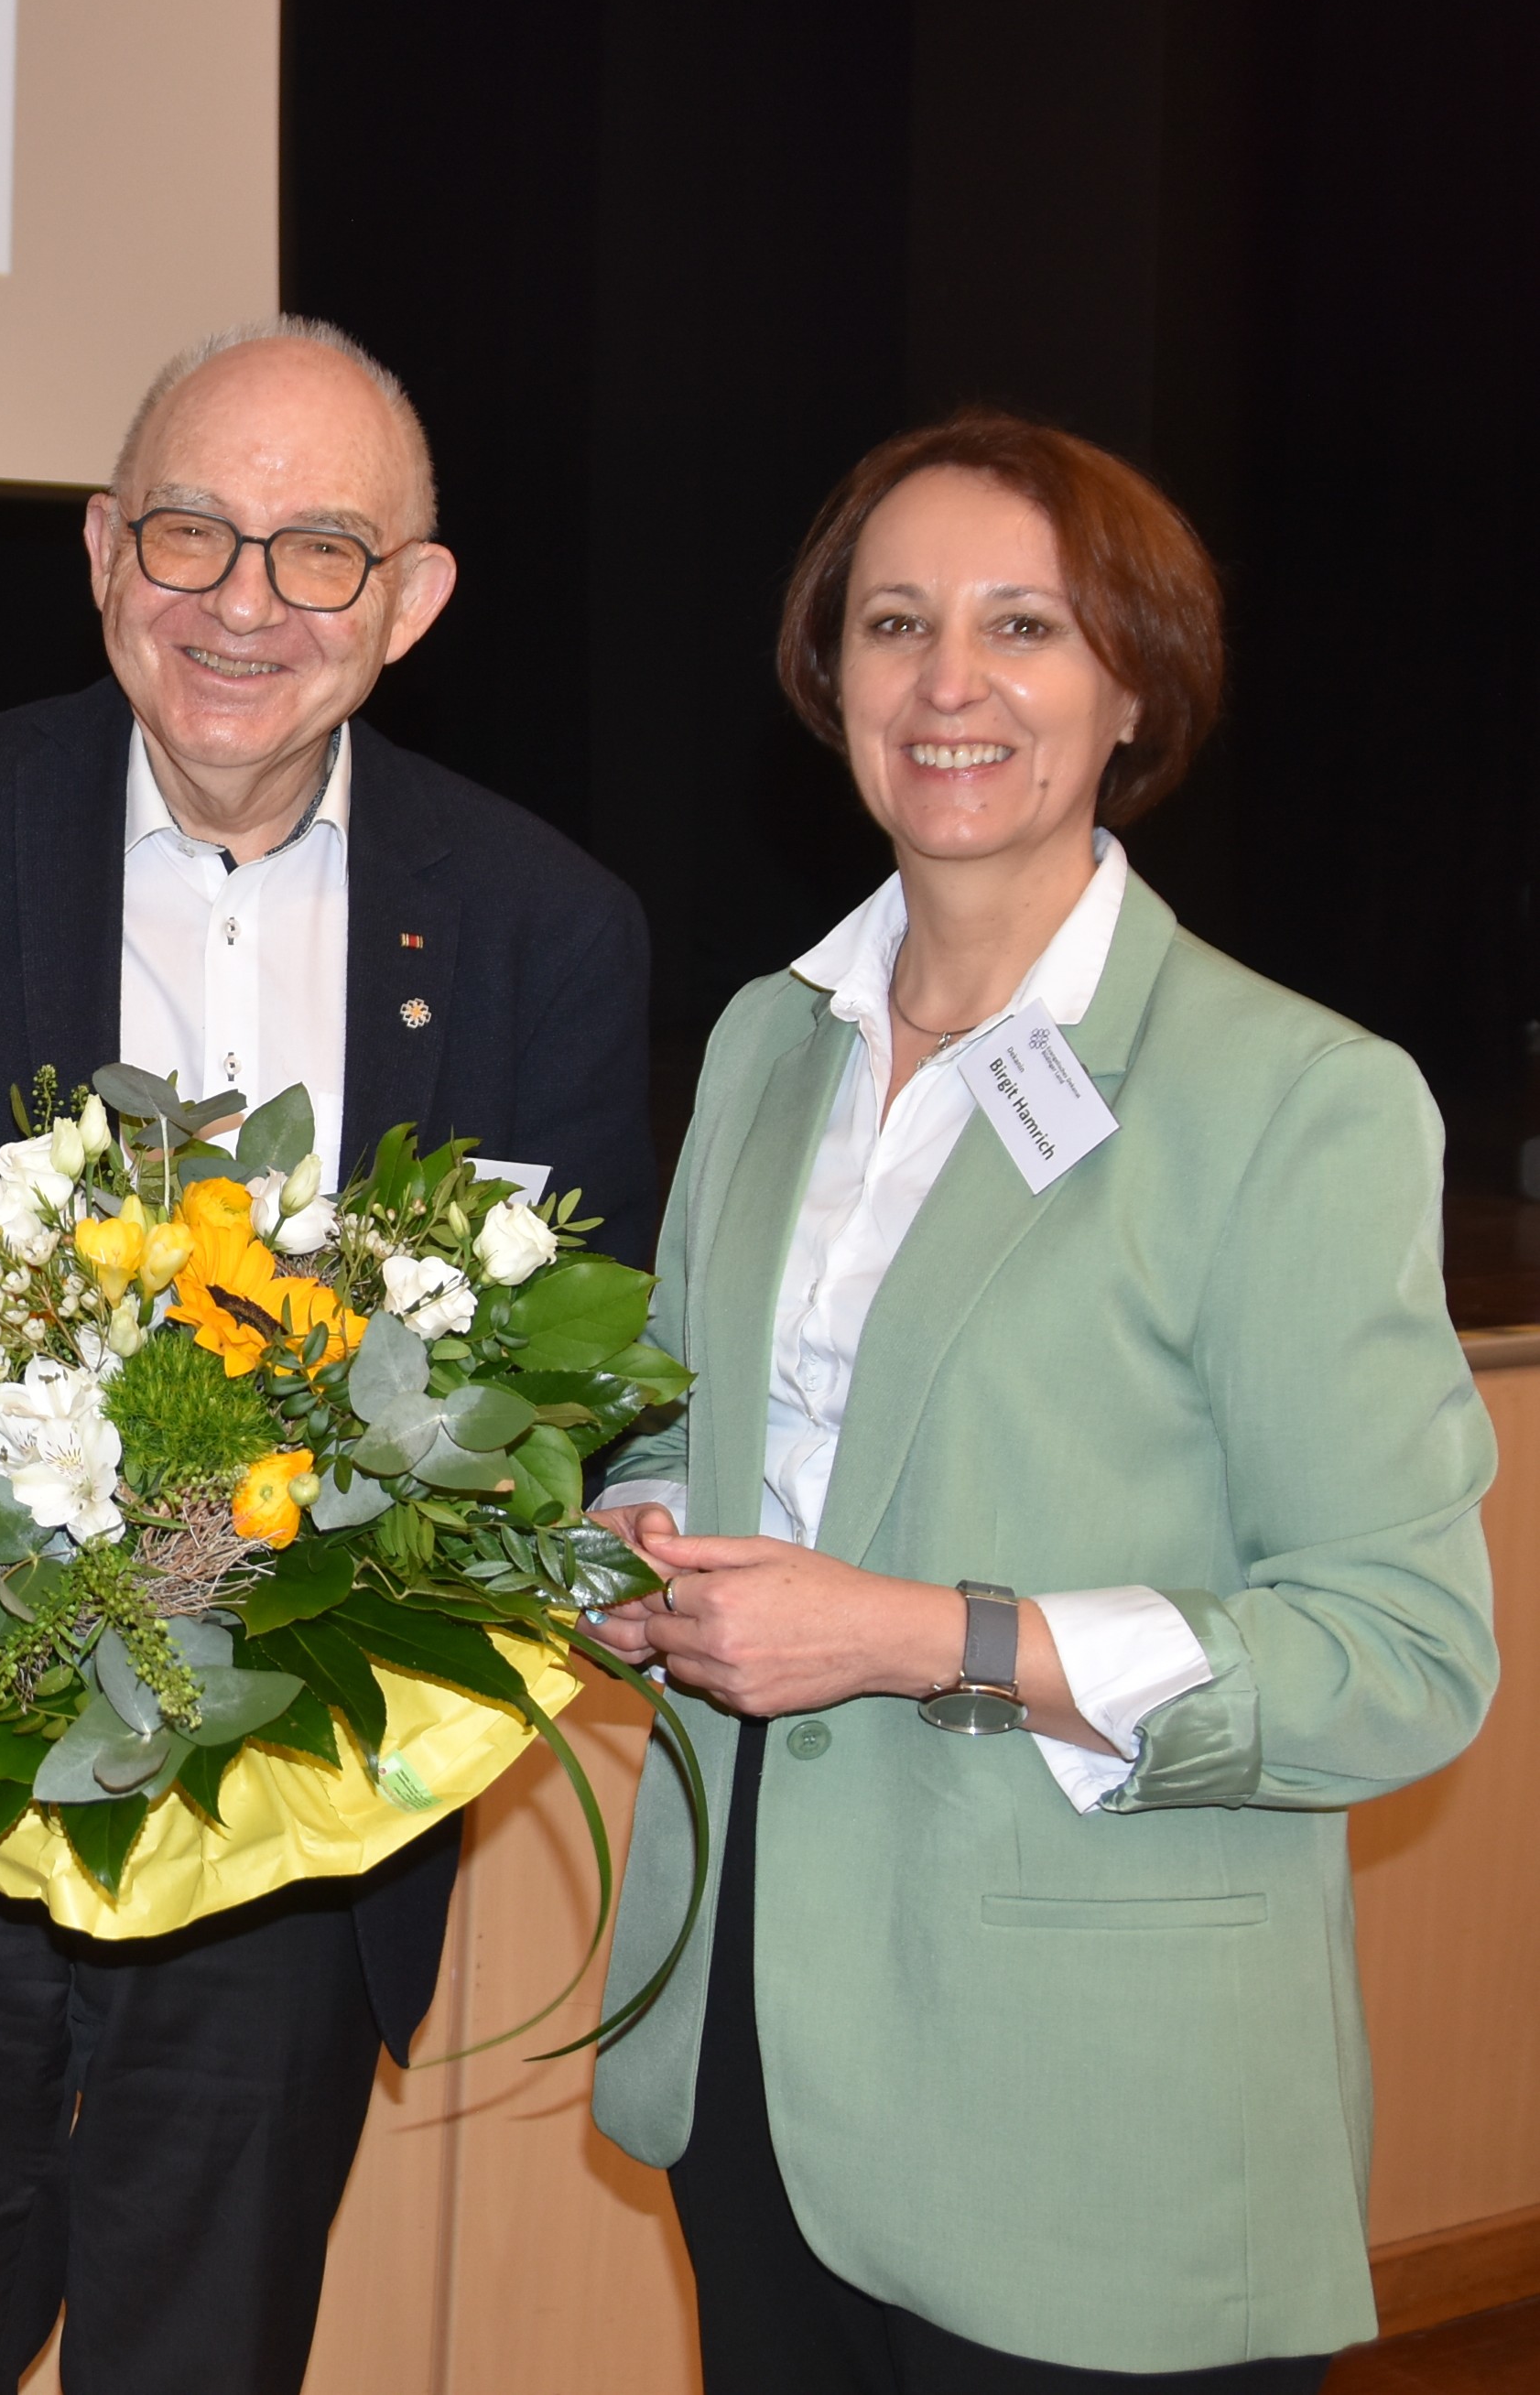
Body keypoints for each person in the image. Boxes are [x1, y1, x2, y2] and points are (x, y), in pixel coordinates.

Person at [0, 315, 656, 2390]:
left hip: (291, 1848)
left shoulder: (538, 921)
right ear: (100, 548)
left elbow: (556, 1412)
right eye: (188, 533)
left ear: (411, 599)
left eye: (319, 551)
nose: (241, 602)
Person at [580, 412, 1496, 2390]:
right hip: (751, 2041)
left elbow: (1397, 1662)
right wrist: (625, 1541)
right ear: (829, 677)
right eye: (892, 622)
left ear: (1132, 686)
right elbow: (689, 1432)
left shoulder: (1296, 1099)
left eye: (1023, 626)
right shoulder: (764, 1045)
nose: (948, 682)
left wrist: (925, 1637)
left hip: (1093, 2117)